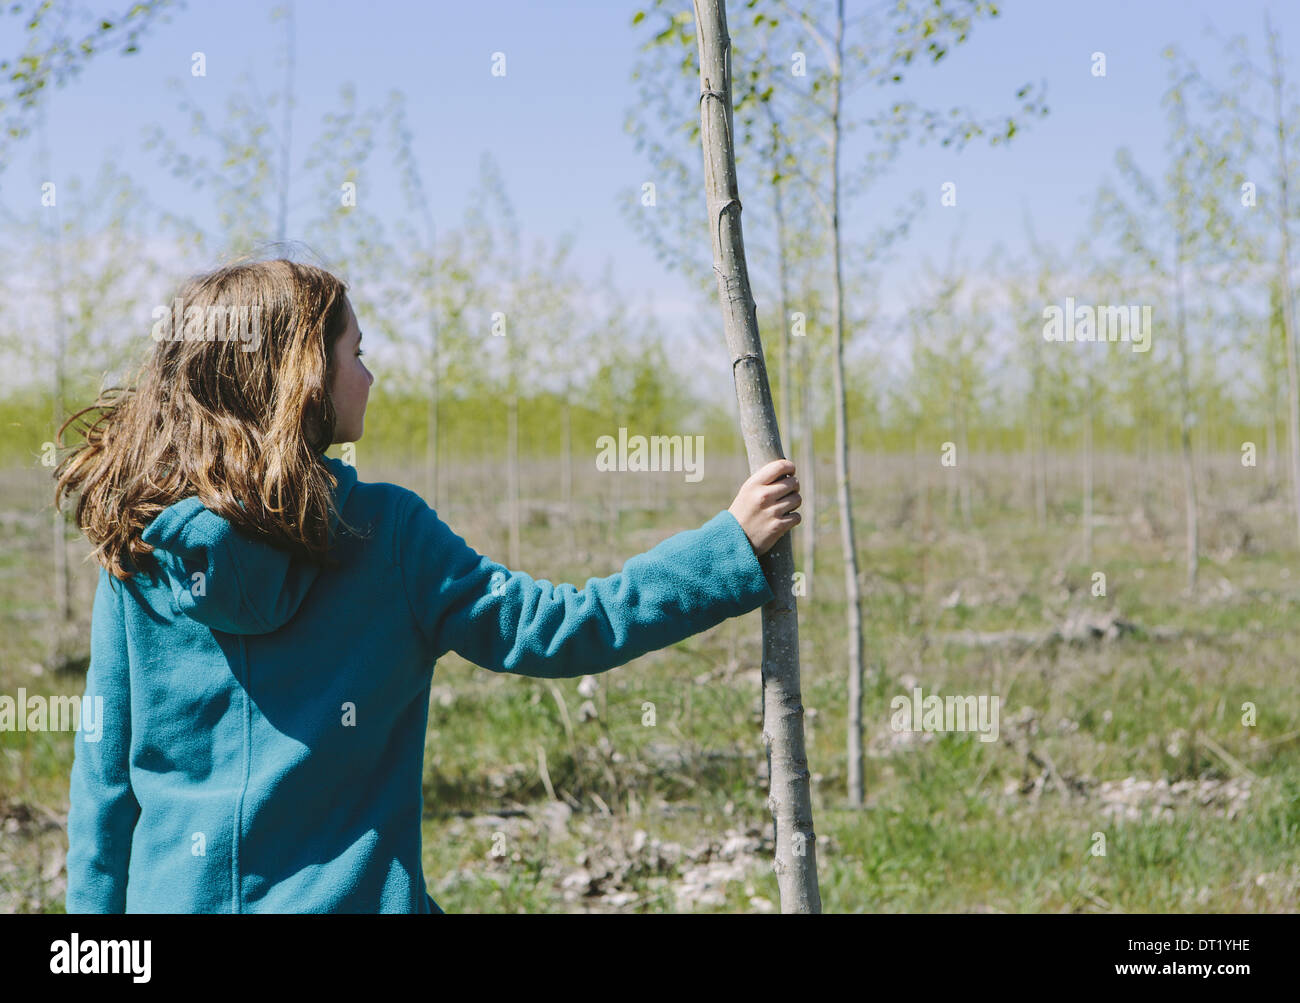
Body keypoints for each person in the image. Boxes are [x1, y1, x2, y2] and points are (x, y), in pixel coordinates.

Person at [55, 257, 802, 913]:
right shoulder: (384, 534)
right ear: (302, 377)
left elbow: (104, 782)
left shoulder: (139, 551)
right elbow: (557, 626)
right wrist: (726, 548)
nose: (370, 375)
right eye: (356, 351)